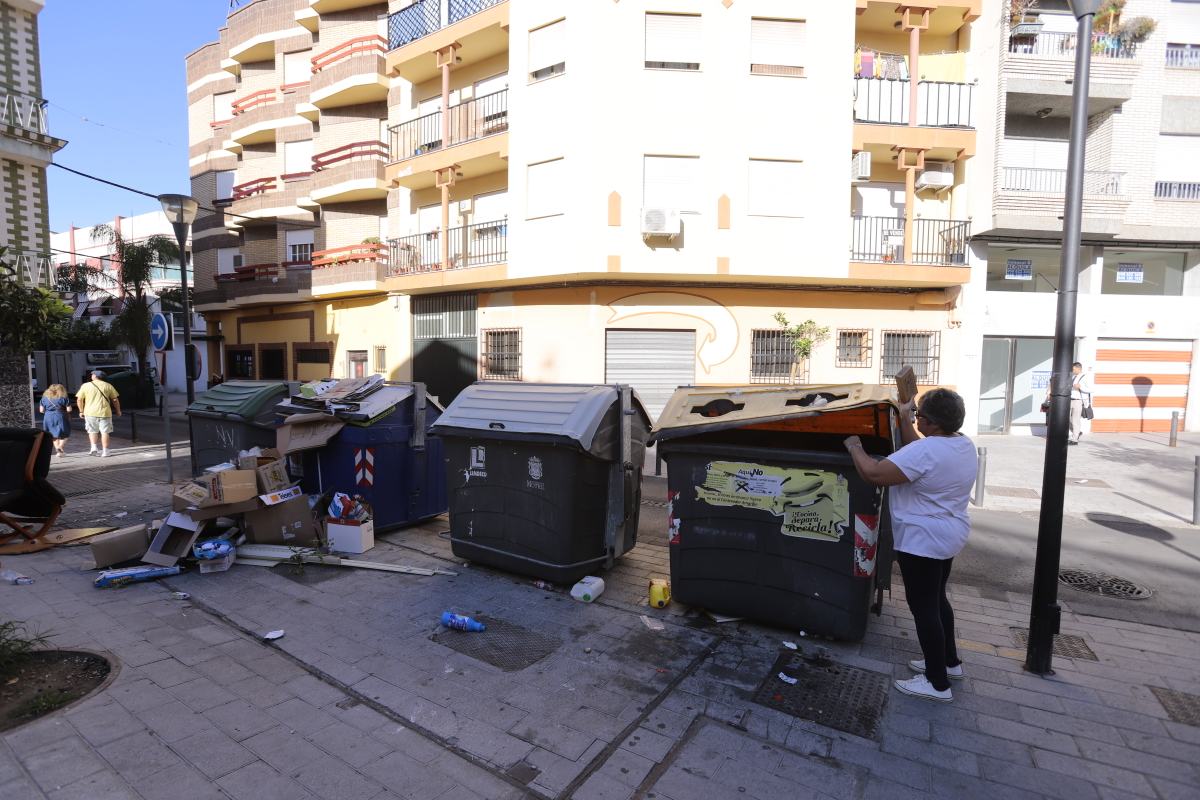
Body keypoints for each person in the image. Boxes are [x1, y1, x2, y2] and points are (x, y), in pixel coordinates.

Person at [843, 388, 977, 702]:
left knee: (923, 607)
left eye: (919, 416)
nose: (916, 420)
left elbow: (873, 473)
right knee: (937, 599)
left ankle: (937, 683)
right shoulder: (961, 444)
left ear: (932, 423)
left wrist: (854, 446)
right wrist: (904, 417)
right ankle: (949, 662)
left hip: (922, 540)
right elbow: (919, 448)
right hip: (948, 533)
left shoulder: (927, 451)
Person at [75, 370, 121, 458]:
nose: (91, 376)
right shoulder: (108, 386)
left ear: (95, 376)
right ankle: (105, 451)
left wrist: (81, 411)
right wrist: (118, 410)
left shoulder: (86, 386)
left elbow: (79, 399)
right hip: (105, 412)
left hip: (90, 412)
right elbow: (115, 400)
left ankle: (94, 448)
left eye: (92, 374)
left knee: (92, 431)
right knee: (105, 432)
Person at [1044, 362, 1093, 445]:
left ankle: (1074, 439)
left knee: (1075, 420)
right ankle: (1077, 432)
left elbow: (1092, 389)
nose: (1072, 371)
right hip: (1068, 400)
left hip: (1078, 401)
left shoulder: (1085, 377)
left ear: (1079, 368)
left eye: (1073, 369)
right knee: (1065, 419)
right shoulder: (1073, 376)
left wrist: (1081, 387)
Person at [38, 384, 73, 458]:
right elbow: (69, 409)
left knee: (53, 434)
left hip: (48, 416)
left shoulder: (44, 398)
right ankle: (60, 447)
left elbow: (41, 410)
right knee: (65, 432)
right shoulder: (64, 398)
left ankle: (59, 452)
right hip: (61, 416)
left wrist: (49, 412)